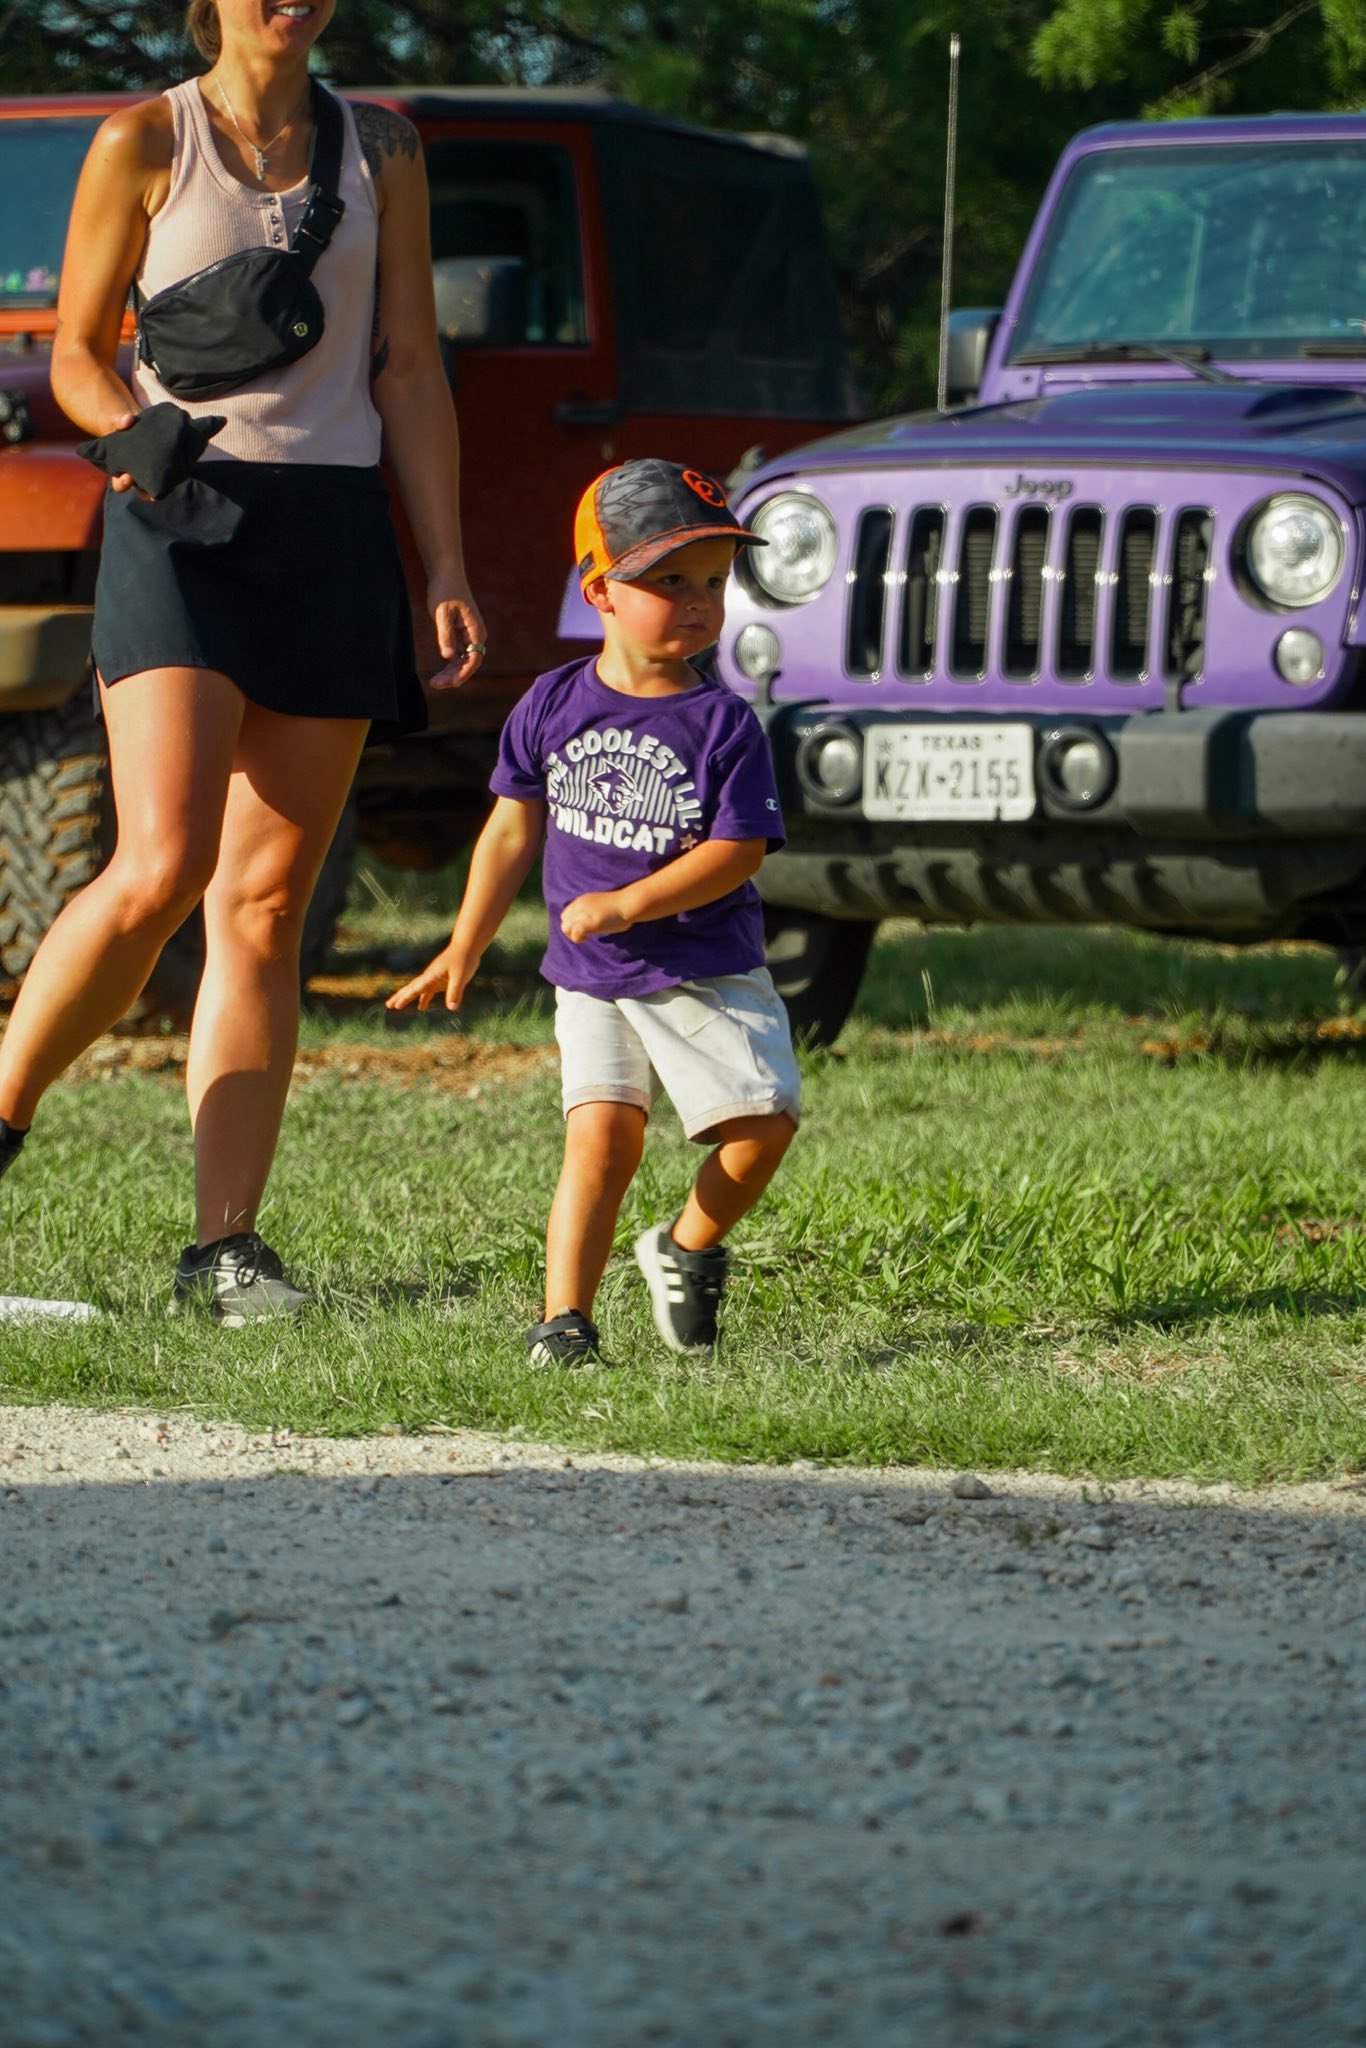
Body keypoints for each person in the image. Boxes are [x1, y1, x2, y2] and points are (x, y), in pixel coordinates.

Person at [0, 0, 485, 1322]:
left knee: (265, 908)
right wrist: (132, 440)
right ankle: (3, 1107)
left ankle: (226, 1249)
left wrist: (439, 563)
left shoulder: (384, 150)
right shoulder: (138, 141)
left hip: (331, 533)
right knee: (158, 866)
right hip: (180, 516)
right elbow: (80, 358)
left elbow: (406, 367)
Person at [388, 459, 799, 1363]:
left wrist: (630, 902)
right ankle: (563, 1323)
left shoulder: (724, 725)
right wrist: (465, 942)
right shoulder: (552, 702)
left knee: (764, 1128)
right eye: (667, 581)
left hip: (704, 968)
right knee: (601, 1142)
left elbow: (737, 854)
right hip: (593, 977)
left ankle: (686, 1246)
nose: (697, 602)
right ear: (598, 588)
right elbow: (508, 829)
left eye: (713, 582)